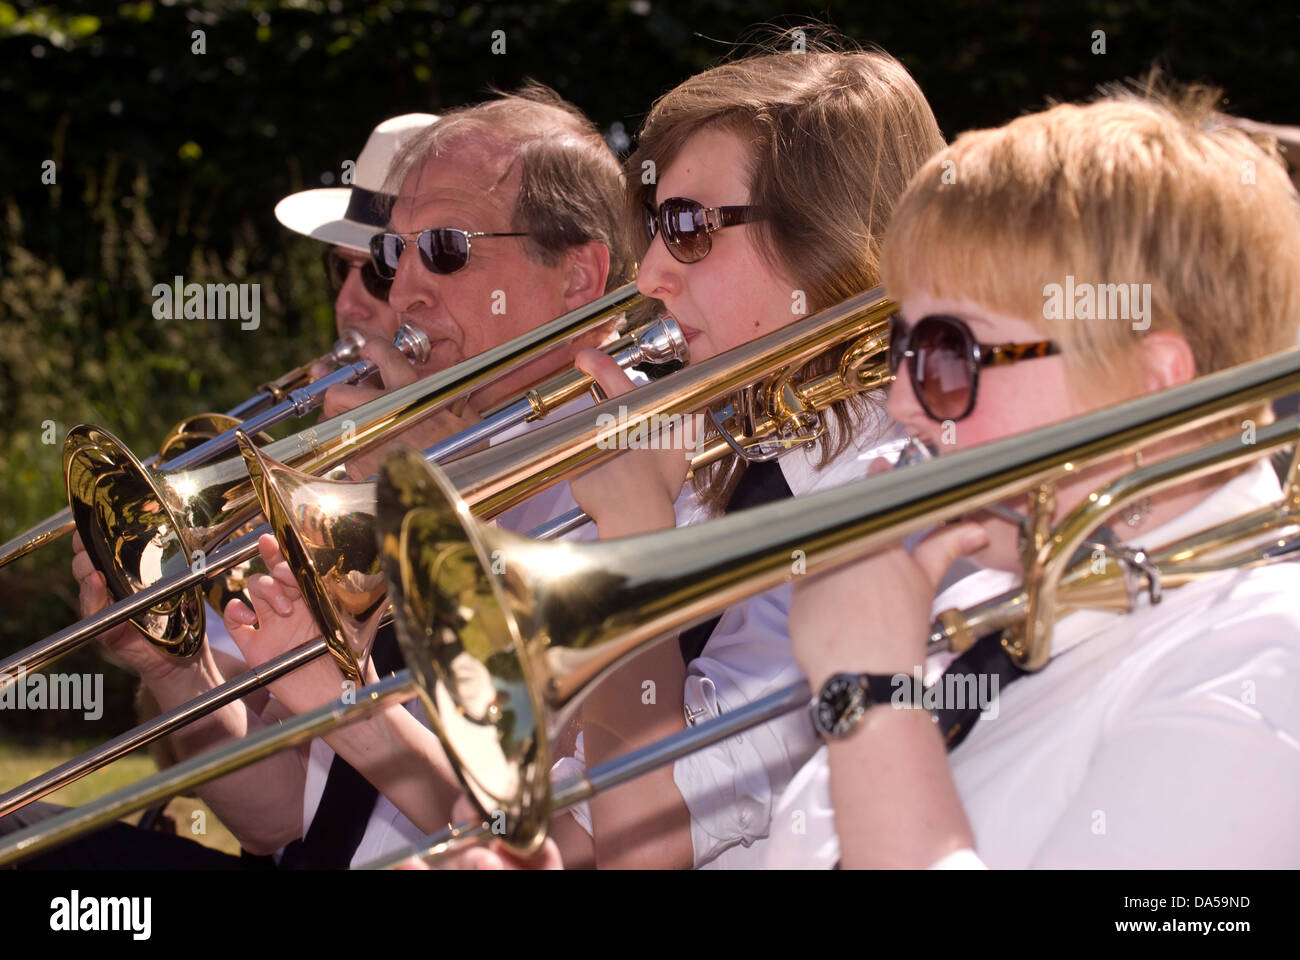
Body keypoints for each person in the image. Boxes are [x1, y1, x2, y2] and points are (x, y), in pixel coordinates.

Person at [770, 83, 1300, 868]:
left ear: (1154, 386)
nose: (900, 402)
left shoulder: (1267, 668)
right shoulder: (993, 600)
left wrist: (875, 696)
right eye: (901, 347)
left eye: (949, 354)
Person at [542, 39, 946, 869]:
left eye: (689, 228)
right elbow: (570, 827)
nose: (650, 270)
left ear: (827, 240)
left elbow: (645, 843)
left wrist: (633, 537)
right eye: (656, 227)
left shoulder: (888, 489)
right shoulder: (730, 446)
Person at [215, 84, 635, 868]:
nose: (402, 289)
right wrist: (173, 668)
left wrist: (440, 502)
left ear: (578, 280)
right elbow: (278, 814)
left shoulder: (649, 465)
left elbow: (575, 830)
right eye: (388, 254)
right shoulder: (405, 445)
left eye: (444, 247)